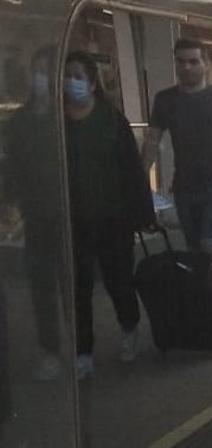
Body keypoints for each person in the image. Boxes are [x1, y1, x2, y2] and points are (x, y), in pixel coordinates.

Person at [60, 51, 155, 379]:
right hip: (74, 220)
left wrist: (143, 212)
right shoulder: (57, 123)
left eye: (78, 76)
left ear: (90, 82)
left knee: (118, 280)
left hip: (114, 218)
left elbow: (131, 169)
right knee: (78, 287)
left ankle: (129, 326)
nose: (72, 82)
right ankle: (83, 350)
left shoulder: (112, 119)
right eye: (67, 75)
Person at [142, 38, 212, 254]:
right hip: (184, 187)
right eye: (181, 61)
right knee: (193, 247)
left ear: (206, 64)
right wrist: (140, 182)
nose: (186, 67)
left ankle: (206, 282)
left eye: (193, 62)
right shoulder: (165, 100)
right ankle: (202, 285)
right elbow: (151, 142)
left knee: (207, 245)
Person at [3, 47, 64, 380]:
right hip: (37, 215)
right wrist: (10, 204)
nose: (43, 80)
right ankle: (50, 349)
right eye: (39, 72)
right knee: (42, 285)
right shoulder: (20, 123)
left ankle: (81, 345)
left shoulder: (69, 117)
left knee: (73, 284)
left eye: (49, 73)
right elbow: (13, 166)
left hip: (71, 215)